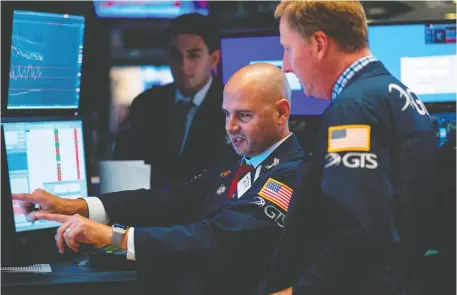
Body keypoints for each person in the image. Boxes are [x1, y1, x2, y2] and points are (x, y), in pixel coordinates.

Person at [14, 63, 306, 295]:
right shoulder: (238, 159)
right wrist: (76, 206)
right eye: (226, 114)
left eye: (243, 116)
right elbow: (173, 199)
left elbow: (218, 238)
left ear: (281, 112)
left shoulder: (292, 173)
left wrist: (113, 236)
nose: (230, 127)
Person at [266, 1, 439, 295]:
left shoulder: (354, 108)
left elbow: (361, 230)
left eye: (288, 48)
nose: (286, 65)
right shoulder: (397, 94)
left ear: (319, 43)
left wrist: (301, 291)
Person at [113, 13, 233, 188]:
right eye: (176, 55)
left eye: (194, 55)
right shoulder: (146, 104)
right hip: (149, 208)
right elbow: (124, 167)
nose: (183, 66)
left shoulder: (232, 105)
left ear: (214, 58)